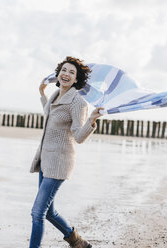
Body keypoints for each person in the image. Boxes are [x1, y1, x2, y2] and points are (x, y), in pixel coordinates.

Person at [29, 56, 103, 248]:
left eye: (72, 72)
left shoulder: (78, 102)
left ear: (77, 79)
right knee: (49, 212)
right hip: (45, 160)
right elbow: (49, 113)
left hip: (60, 163)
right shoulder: (55, 95)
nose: (66, 74)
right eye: (64, 70)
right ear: (58, 73)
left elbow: (79, 136)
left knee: (37, 213)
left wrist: (92, 120)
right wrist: (41, 93)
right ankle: (77, 241)